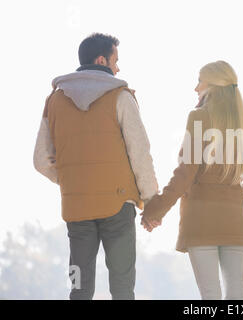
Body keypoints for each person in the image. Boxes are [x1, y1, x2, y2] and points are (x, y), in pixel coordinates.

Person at [33, 32, 158, 300]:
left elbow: (41, 160)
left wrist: (73, 179)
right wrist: (151, 201)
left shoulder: (54, 101)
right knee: (123, 286)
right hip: (118, 205)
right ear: (101, 59)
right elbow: (140, 152)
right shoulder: (121, 97)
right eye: (115, 60)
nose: (118, 67)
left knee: (79, 285)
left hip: (76, 208)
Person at [140, 60, 243, 300]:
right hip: (235, 220)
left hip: (201, 219)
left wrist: (155, 209)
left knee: (210, 295)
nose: (195, 88)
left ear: (212, 85)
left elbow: (186, 173)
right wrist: (232, 193)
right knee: (237, 294)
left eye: (199, 81)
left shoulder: (199, 117)